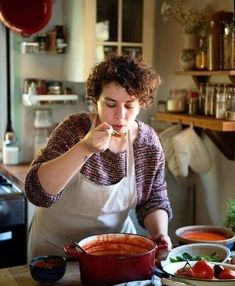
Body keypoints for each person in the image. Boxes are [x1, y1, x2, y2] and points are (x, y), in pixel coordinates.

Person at [25, 54, 173, 261]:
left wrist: (159, 233)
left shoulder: (147, 144)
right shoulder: (74, 129)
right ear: (96, 102)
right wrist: (85, 147)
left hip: (114, 253)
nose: (120, 116)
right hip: (56, 253)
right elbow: (37, 192)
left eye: (130, 105)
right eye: (111, 104)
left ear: (142, 103)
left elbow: (153, 199)